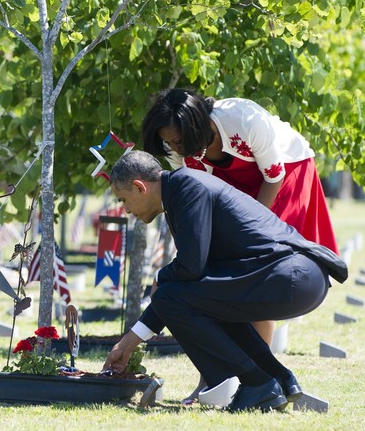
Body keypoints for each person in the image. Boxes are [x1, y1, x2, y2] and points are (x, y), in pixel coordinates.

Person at [102, 151, 346, 412]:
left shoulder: (186, 187)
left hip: (293, 275)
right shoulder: (179, 190)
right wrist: (129, 342)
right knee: (190, 297)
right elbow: (185, 285)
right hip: (298, 277)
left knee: (171, 293)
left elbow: (190, 268)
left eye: (123, 199)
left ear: (139, 187)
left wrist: (159, 278)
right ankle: (276, 378)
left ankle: (257, 384)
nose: (126, 210)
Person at [141, 88, 339, 401]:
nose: (176, 150)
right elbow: (198, 207)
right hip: (235, 186)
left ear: (195, 126)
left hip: (284, 175)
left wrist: (246, 236)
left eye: (178, 141)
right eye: (170, 144)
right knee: (214, 277)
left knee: (258, 275)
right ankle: (215, 379)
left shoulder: (244, 118)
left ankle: (261, 381)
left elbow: (273, 177)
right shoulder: (184, 152)